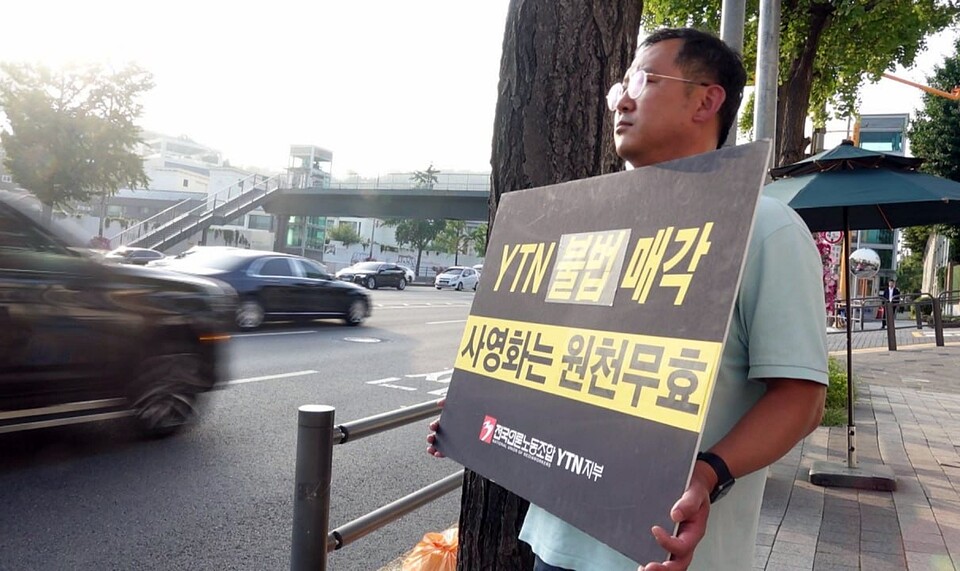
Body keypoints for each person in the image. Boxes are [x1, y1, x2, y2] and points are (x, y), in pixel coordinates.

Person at [428, 27, 828, 571]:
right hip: (554, 542)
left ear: (707, 99)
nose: (624, 99)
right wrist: (480, 409)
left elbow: (801, 397)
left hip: (663, 555)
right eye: (621, 86)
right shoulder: (591, 229)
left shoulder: (767, 229)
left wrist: (708, 473)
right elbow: (563, 361)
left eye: (644, 79)